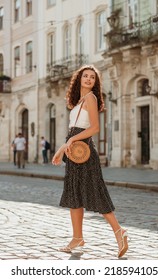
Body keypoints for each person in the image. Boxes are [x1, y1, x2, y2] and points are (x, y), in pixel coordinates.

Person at [52, 65, 128, 258]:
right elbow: (74, 130)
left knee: (96, 193)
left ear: (95, 83)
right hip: (75, 151)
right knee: (74, 195)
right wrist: (62, 149)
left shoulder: (91, 98)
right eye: (85, 76)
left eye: (92, 78)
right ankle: (77, 237)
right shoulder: (79, 101)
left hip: (84, 151)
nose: (88, 79)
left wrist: (69, 142)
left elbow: (94, 128)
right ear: (78, 80)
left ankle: (120, 232)